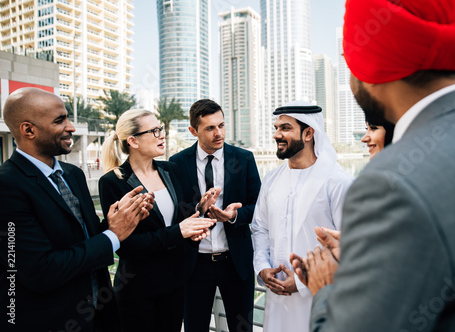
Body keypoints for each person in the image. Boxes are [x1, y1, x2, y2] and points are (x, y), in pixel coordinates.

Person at [291, 0, 455, 331]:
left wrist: (329, 287)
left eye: (349, 61)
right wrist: (375, 257)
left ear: (370, 66)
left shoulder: (389, 183)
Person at [0, 88, 153, 331]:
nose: (71, 127)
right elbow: (40, 270)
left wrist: (122, 218)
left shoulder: (73, 175)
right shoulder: (7, 185)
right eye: (59, 120)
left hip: (100, 315)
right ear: (28, 130)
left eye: (67, 117)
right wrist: (113, 235)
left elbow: (87, 239)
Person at [98, 109, 216, 331]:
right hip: (138, 289)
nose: (161, 135)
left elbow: (179, 221)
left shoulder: (171, 170)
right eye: (153, 131)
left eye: (160, 129)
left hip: (175, 285)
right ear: (132, 141)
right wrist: (180, 231)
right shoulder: (112, 182)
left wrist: (199, 214)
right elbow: (125, 245)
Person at [251, 101, 353, 332]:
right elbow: (260, 228)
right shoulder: (271, 180)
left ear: (309, 133)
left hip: (319, 299)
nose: (277, 134)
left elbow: (350, 244)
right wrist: (262, 268)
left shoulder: (337, 182)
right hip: (276, 298)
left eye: (285, 128)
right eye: (276, 128)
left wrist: (300, 282)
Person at [169, 99, 261, 332]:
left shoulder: (244, 159)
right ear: (193, 131)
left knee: (242, 328)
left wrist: (232, 216)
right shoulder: (177, 164)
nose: (218, 133)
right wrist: (197, 208)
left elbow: (258, 207)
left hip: (235, 262)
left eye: (221, 125)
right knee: (194, 327)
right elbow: (175, 213)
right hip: (194, 265)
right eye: (210, 128)